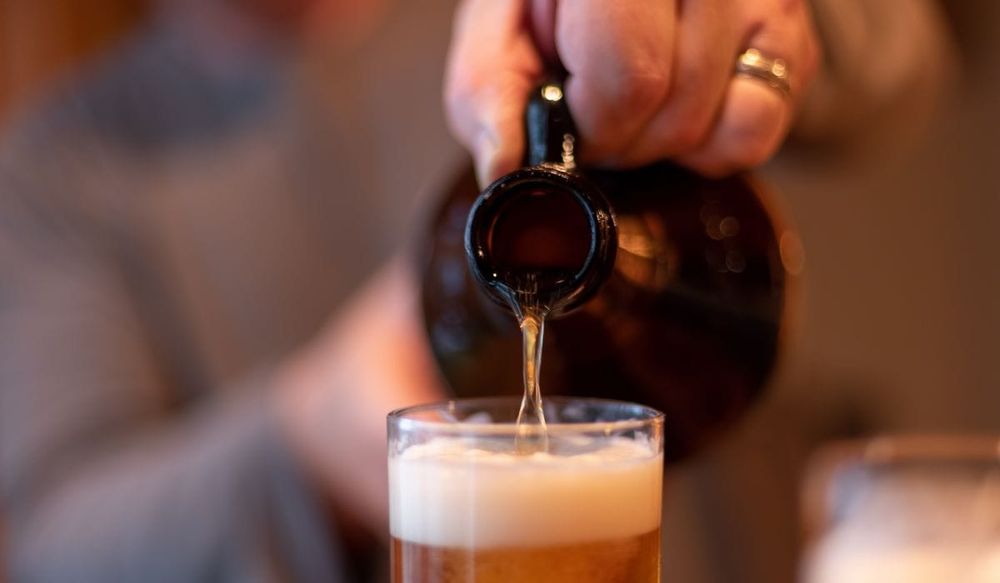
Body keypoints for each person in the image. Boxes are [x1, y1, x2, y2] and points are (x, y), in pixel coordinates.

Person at [0, 0, 952, 581]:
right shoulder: (59, 167)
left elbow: (908, 48)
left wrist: (753, 30)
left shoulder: (523, 32)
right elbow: (50, 549)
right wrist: (309, 431)